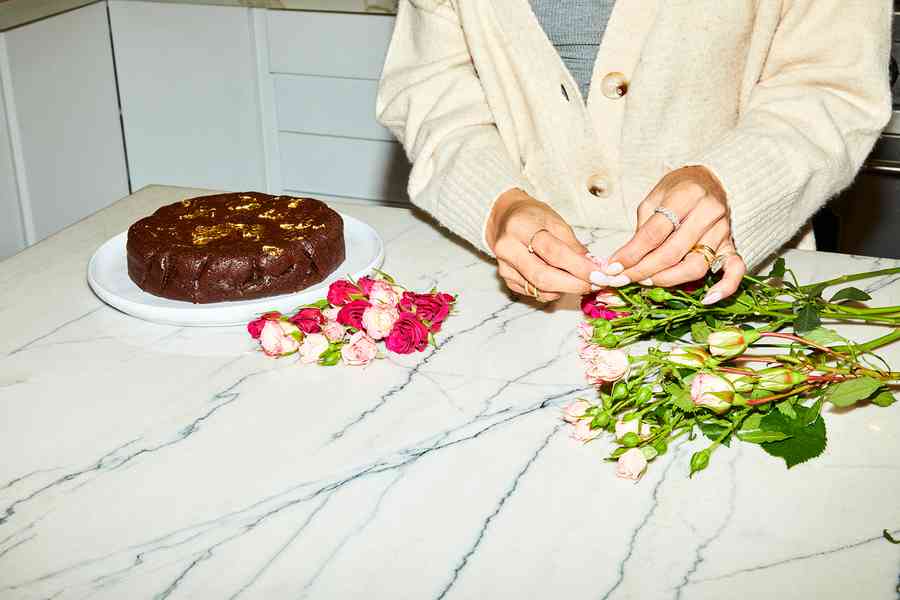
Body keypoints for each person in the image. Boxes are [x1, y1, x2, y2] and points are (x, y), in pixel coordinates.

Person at [376, 0, 892, 303]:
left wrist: (732, 184)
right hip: (505, 296)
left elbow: (832, 85)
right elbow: (428, 86)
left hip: (742, 299)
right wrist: (496, 204)